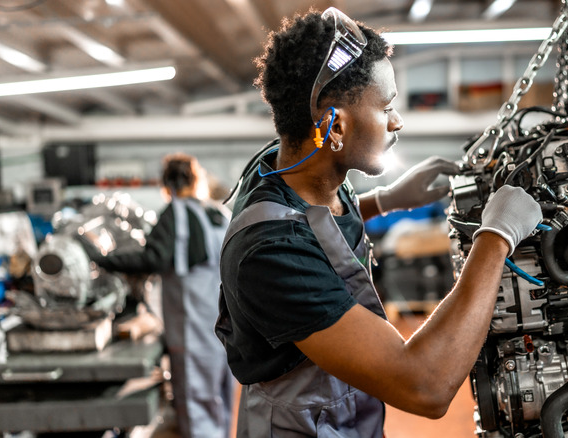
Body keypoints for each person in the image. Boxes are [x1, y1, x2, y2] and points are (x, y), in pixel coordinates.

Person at [215, 7, 542, 437]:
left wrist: (387, 200)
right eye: (386, 106)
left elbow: (309, 224)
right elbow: (424, 385)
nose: (397, 121)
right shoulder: (270, 254)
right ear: (333, 125)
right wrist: (495, 238)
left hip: (342, 416)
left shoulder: (293, 167)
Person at [91, 153, 235, 438]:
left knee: (195, 401)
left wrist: (102, 259)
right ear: (196, 180)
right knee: (222, 396)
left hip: (192, 328)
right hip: (225, 327)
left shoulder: (175, 215)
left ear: (166, 183)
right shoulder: (217, 213)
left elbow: (153, 258)